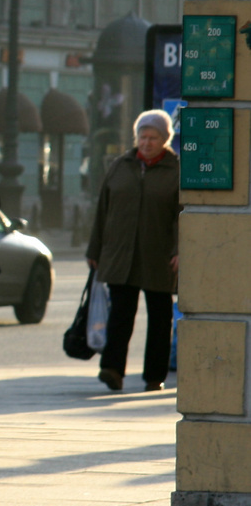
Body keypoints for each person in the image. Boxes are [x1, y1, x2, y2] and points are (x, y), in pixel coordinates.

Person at [86, 109, 180, 392]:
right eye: (143, 136)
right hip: (120, 253)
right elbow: (103, 209)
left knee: (160, 318)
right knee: (120, 315)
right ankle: (112, 369)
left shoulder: (176, 171)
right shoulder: (120, 165)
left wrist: (180, 250)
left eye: (153, 137)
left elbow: (182, 214)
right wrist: (95, 249)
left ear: (164, 140)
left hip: (159, 255)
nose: (146, 142)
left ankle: (154, 376)